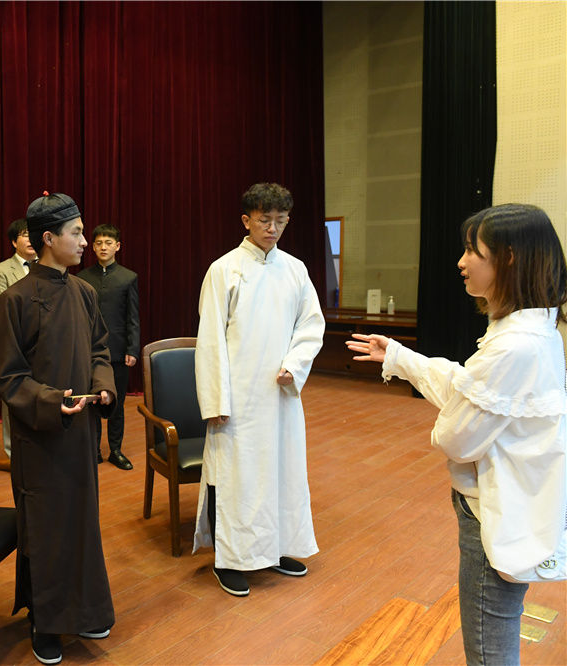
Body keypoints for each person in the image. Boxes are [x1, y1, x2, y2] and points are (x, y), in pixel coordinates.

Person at [346, 203, 567, 666]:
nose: (461, 262)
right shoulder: (530, 329)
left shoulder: (513, 346)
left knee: (488, 643)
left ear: (508, 258)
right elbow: (470, 390)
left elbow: (457, 437)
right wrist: (401, 357)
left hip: (491, 512)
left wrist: (451, 416)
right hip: (505, 504)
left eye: (473, 251)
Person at [0, 191, 116, 665]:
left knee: (82, 524)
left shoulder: (84, 292)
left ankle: (85, 611)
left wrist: (102, 387)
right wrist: (48, 401)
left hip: (81, 433)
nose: (86, 241)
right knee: (47, 531)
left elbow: (100, 349)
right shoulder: (15, 299)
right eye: (77, 233)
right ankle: (45, 621)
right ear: (48, 238)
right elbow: (8, 376)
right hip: (40, 438)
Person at [193, 182, 325, 597]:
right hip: (239, 397)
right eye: (265, 220)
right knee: (236, 478)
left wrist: (295, 364)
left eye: (280, 221)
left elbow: (311, 324)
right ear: (246, 220)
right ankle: (230, 559)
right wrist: (215, 399)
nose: (273, 228)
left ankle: (277, 547)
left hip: (281, 395)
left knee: (282, 473)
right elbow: (210, 338)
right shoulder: (224, 269)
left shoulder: (295, 269)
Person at [77, 224, 140, 470]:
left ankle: (115, 449)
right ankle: (92, 451)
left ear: (118, 247)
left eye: (109, 243)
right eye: (99, 243)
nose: (104, 247)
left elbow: (132, 318)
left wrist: (132, 349)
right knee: (92, 402)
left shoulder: (128, 277)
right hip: (89, 352)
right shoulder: (81, 278)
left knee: (117, 403)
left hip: (117, 351)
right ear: (92, 247)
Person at [0, 217, 37, 457]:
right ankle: (12, 453)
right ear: (13, 241)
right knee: (14, 400)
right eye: (25, 234)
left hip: (43, 347)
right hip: (15, 346)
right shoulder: (1, 271)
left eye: (33, 234)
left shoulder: (47, 268)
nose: (30, 239)